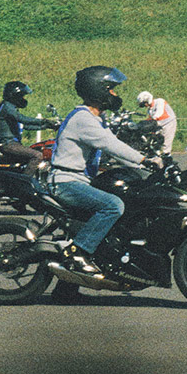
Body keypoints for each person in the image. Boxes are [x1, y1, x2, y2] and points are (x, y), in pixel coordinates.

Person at [50, 66, 158, 292]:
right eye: (111, 89)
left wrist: (145, 167)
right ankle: (78, 252)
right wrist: (143, 159)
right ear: (98, 90)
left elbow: (114, 150)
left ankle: (66, 289)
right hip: (66, 182)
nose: (115, 95)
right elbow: (111, 145)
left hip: (77, 180)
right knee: (113, 205)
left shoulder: (95, 118)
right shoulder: (83, 119)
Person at [0, 81, 57, 176]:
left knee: (38, 150)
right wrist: (44, 121)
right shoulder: (8, 107)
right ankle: (25, 181)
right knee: (38, 155)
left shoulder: (10, 108)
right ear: (15, 96)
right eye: (21, 96)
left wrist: (47, 126)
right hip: (8, 144)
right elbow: (23, 119)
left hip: (13, 144)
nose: (23, 99)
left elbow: (26, 126)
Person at [136, 91, 177, 156]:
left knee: (166, 144)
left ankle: (167, 157)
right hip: (159, 125)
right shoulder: (150, 109)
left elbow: (159, 113)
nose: (145, 105)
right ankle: (157, 157)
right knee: (156, 143)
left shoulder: (160, 101)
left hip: (169, 123)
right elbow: (151, 119)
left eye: (144, 103)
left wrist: (151, 121)